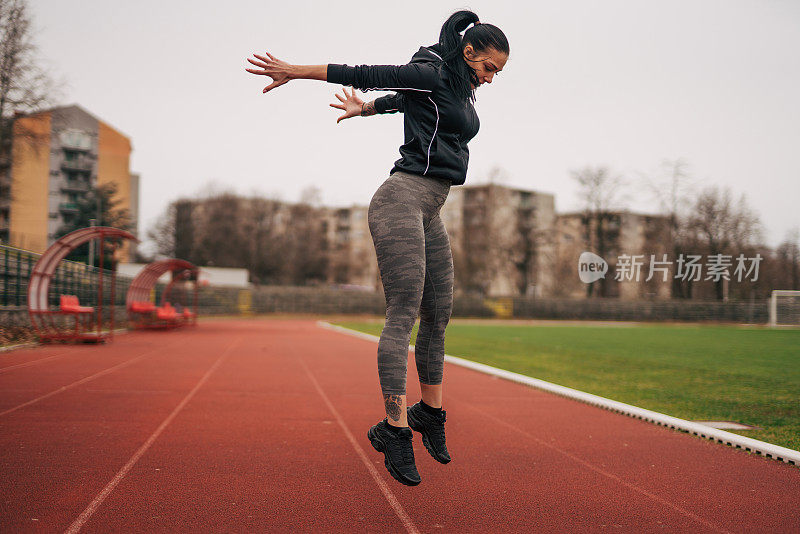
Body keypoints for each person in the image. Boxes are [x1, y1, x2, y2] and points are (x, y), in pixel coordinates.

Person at [246, 10, 509, 486]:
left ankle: (430, 414)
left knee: (439, 312)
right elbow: (364, 74)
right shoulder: (429, 71)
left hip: (430, 208)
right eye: (489, 68)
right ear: (469, 52)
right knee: (403, 311)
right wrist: (295, 71)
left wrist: (368, 110)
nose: (491, 79)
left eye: (497, 73)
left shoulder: (455, 85)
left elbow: (403, 101)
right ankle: (394, 428)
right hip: (400, 202)